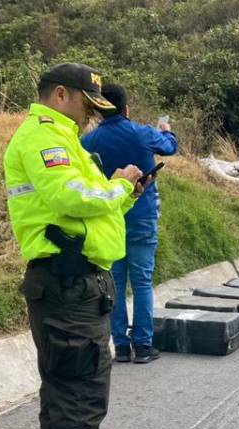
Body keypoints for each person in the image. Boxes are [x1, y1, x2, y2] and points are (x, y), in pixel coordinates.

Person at [3, 63, 148, 429]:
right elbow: (71, 198)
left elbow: (86, 212)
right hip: (68, 284)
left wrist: (125, 194)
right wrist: (120, 184)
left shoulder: (63, 138)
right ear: (60, 94)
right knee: (81, 391)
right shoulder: (45, 136)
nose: (91, 115)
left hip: (72, 280)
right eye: (87, 104)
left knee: (61, 385)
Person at [82, 84, 179, 365]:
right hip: (142, 215)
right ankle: (144, 345)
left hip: (110, 218)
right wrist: (166, 129)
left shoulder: (89, 141)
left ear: (99, 110)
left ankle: (122, 347)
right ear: (126, 109)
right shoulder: (142, 132)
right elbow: (170, 147)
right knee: (142, 282)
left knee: (116, 282)